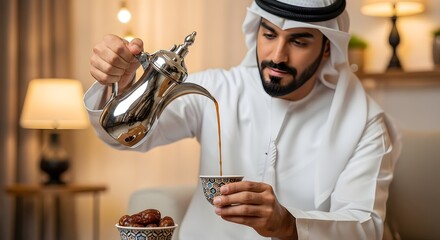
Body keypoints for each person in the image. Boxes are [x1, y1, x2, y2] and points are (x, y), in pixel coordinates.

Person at [85, 0, 401, 239]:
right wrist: (121, 85)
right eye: (269, 34)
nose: (278, 55)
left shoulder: (364, 123)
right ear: (256, 31)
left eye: (299, 41)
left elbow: (366, 226)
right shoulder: (218, 90)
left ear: (327, 49)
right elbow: (125, 138)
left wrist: (290, 225)